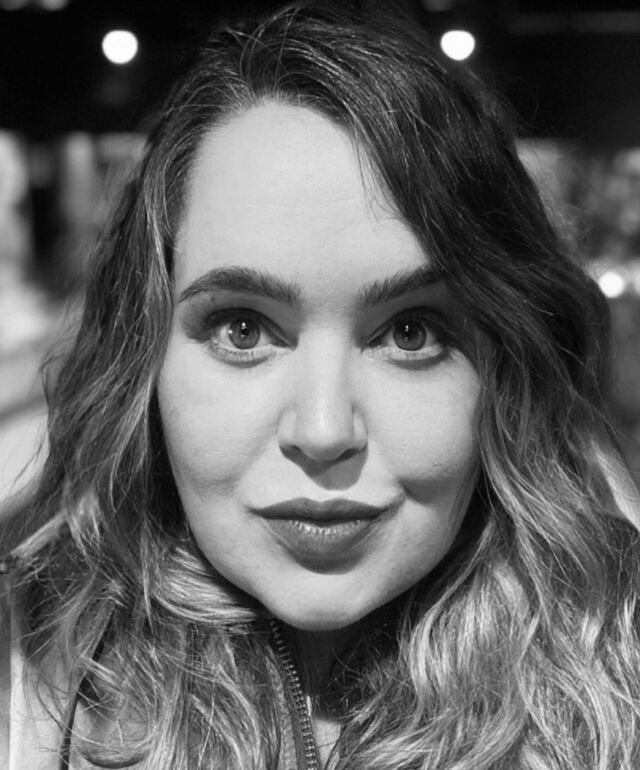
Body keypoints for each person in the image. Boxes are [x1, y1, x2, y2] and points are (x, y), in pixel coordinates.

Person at [2, 3, 640, 768]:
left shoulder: (621, 678)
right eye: (243, 329)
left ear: (508, 367)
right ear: (144, 359)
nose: (324, 430)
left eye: (411, 333)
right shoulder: (26, 680)